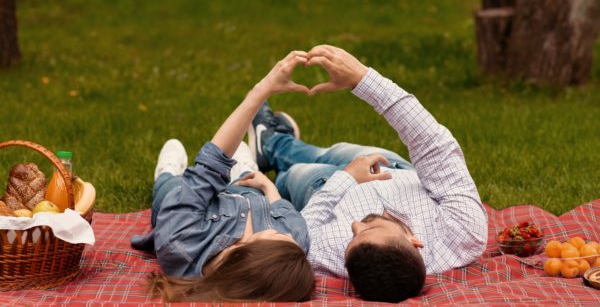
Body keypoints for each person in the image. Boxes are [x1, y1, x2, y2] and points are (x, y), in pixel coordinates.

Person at [247, 45, 488, 303]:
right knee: (336, 150)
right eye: (369, 228)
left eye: (353, 236)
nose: (356, 225)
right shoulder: (464, 234)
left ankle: (272, 145)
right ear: (414, 241)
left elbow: (303, 229)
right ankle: (274, 143)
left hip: (326, 188)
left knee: (294, 173)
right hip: (393, 168)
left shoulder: (334, 258)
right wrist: (361, 78)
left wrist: (346, 177)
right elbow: (434, 145)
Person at [130, 51, 316, 302]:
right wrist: (268, 186)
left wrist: (262, 90)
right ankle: (244, 167)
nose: (292, 235)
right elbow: (287, 214)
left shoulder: (181, 242)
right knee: (248, 178)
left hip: (180, 205)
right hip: (247, 192)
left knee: (172, 186)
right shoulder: (293, 250)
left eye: (280, 236)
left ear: (251, 253)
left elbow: (210, 165)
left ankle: (166, 171)